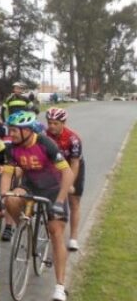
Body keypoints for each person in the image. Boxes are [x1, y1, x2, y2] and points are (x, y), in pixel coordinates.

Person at [0, 111, 73, 301]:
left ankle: (60, 286)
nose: (11, 134)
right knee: (12, 200)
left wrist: (59, 201)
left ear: (27, 130)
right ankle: (26, 227)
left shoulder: (45, 143)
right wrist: (4, 194)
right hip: (31, 185)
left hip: (53, 188)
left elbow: (67, 173)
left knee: (56, 231)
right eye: (10, 129)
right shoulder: (11, 147)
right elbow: (7, 175)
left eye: (15, 130)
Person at [44, 107, 85, 252]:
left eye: (55, 123)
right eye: (49, 123)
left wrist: (70, 184)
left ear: (63, 122)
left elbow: (74, 163)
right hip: (55, 168)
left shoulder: (73, 139)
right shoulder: (44, 134)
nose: (51, 126)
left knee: (73, 201)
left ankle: (73, 238)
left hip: (72, 167)